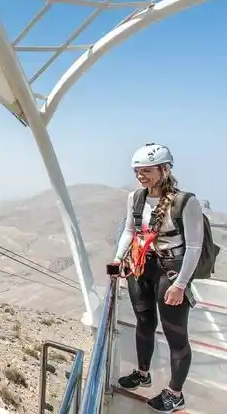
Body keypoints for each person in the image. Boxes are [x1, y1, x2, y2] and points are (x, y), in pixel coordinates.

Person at [109, 143, 202, 413]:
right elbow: (129, 230)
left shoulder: (186, 201)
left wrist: (180, 284)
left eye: (147, 170)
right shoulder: (136, 198)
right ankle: (143, 372)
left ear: (164, 169)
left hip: (171, 269)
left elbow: (194, 246)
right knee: (144, 322)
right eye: (138, 171)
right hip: (141, 265)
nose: (141, 176)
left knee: (175, 334)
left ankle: (175, 393)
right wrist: (117, 261)